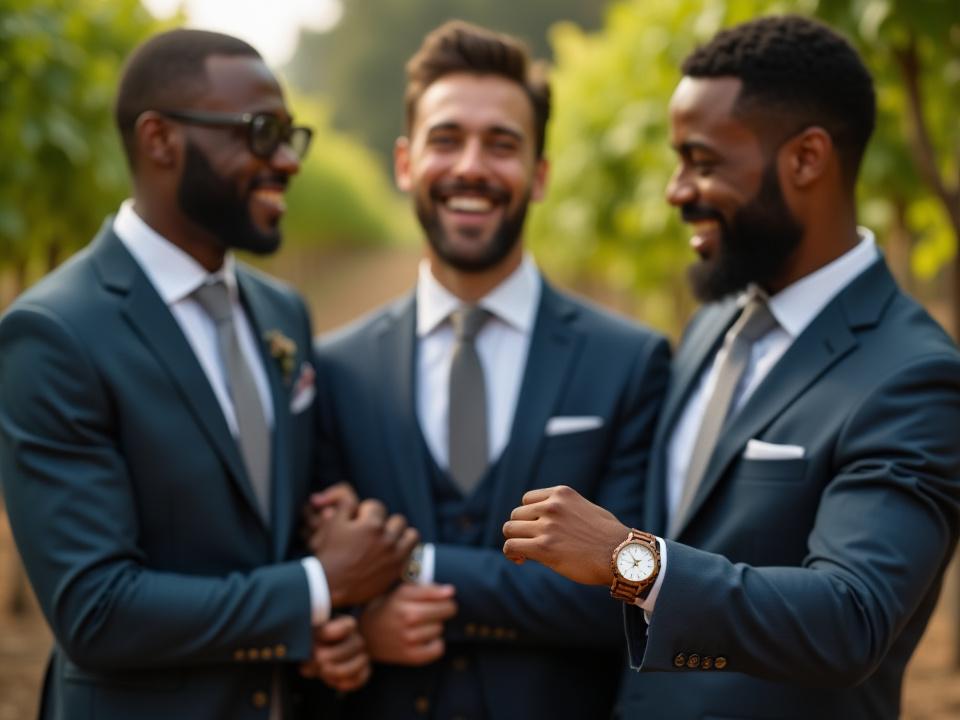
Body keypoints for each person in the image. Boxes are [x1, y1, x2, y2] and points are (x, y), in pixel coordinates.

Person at [502, 15, 960, 720]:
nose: (675, 190)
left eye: (703, 160)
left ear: (806, 159)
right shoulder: (714, 322)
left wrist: (634, 560)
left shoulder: (915, 373)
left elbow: (851, 617)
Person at [0, 29, 417, 720]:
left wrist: (328, 543)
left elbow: (265, 524)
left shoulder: (281, 311)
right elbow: (97, 612)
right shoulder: (54, 333)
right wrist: (320, 584)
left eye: (292, 136)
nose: (287, 161)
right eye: (261, 133)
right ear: (160, 140)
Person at [309, 19, 670, 720]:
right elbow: (328, 577)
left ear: (538, 176)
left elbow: (626, 594)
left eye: (501, 144)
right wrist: (356, 626)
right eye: (447, 139)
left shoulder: (631, 361)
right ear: (407, 163)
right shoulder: (335, 368)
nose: (471, 165)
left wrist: (409, 570)